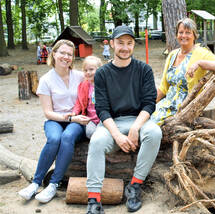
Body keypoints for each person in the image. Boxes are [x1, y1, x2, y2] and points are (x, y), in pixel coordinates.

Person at [86, 25, 162, 214]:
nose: (125, 47)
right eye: (120, 43)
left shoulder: (144, 69)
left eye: (129, 43)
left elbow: (149, 104)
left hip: (139, 120)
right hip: (112, 122)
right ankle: (94, 199)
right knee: (96, 141)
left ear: (133, 45)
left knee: (154, 133)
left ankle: (134, 186)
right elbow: (102, 109)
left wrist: (136, 128)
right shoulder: (102, 73)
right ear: (112, 44)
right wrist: (118, 136)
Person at [18, 40, 90, 203]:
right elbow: (48, 112)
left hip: (77, 121)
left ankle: (53, 184)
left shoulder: (79, 76)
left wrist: (77, 118)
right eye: (62, 53)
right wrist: (69, 117)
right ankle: (35, 184)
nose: (66, 57)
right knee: (54, 139)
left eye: (69, 54)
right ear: (54, 54)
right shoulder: (46, 80)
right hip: (55, 120)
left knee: (67, 137)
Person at [151, 18, 215, 126]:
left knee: (152, 127)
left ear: (194, 35)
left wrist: (200, 63)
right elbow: (163, 87)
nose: (184, 35)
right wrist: (149, 105)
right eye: (181, 32)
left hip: (185, 109)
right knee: (144, 118)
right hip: (167, 104)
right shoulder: (172, 55)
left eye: (188, 32)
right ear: (177, 35)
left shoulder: (201, 53)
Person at [72, 55, 103, 139]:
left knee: (103, 132)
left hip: (103, 118)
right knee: (90, 133)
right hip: (90, 119)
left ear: (99, 69)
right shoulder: (83, 86)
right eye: (85, 70)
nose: (88, 72)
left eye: (91, 69)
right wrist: (74, 112)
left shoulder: (104, 84)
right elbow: (79, 102)